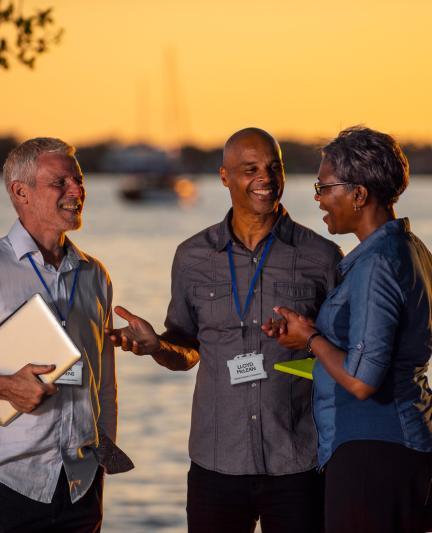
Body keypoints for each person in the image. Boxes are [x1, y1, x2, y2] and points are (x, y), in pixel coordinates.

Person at [107, 127, 342, 532]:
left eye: (274, 166)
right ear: (224, 177)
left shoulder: (322, 256)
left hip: (298, 461)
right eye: (250, 169)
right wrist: (155, 347)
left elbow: (342, 356)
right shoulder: (192, 257)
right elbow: (185, 349)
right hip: (216, 463)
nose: (265, 178)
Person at [263, 126, 432, 533]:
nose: (318, 198)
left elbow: (360, 380)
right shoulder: (409, 248)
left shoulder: (377, 265)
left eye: (324, 187)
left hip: (375, 454)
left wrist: (312, 338)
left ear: (359, 195)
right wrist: (306, 339)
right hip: (402, 444)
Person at [0, 138, 120, 532]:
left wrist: (102, 456)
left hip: (81, 484)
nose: (77, 191)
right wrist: (5, 386)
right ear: (21, 192)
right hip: (10, 482)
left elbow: (104, 382)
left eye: (79, 179)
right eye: (60, 182)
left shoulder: (95, 274)